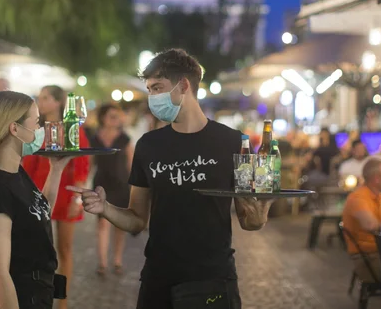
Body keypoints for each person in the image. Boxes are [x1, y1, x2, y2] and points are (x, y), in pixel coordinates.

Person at [68, 49, 273, 309]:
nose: (152, 97)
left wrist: (263, 208)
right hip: (159, 279)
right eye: (150, 89)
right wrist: (105, 208)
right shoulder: (148, 145)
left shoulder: (233, 142)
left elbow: (249, 220)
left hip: (212, 280)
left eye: (157, 88)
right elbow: (137, 220)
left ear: (183, 85)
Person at [0, 91, 73, 308]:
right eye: (36, 122)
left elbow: (39, 210)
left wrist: (56, 169)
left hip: (37, 296)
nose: (40, 130)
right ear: (14, 128)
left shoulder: (16, 173)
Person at [21, 85, 89, 309]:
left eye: (46, 97)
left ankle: (63, 302)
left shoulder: (73, 129)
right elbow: (28, 166)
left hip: (66, 194)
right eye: (39, 97)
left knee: (65, 249)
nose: (40, 101)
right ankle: (40, 296)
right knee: (39, 249)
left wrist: (77, 200)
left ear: (59, 102)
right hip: (41, 194)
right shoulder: (36, 130)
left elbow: (81, 166)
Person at [88, 103, 134, 275]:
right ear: (103, 118)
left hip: (121, 186)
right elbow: (90, 164)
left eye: (117, 116)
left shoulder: (125, 138)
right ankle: (102, 263)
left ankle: (117, 260)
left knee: (119, 226)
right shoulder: (95, 138)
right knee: (102, 224)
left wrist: (136, 187)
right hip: (101, 185)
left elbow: (132, 163)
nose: (116, 120)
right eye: (112, 116)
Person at [341, 158, 381, 284]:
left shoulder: (378, 196)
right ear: (376, 179)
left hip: (379, 254)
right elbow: (372, 225)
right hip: (369, 260)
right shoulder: (358, 198)